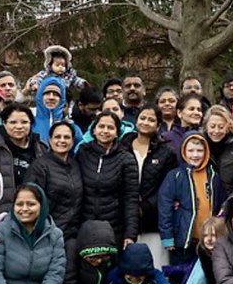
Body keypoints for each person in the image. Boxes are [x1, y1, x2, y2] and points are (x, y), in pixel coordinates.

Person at [121, 104, 179, 267]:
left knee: (156, 266)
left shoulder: (166, 151)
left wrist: (145, 207)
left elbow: (167, 187)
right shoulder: (122, 147)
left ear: (158, 124)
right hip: (125, 217)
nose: (146, 122)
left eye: (151, 119)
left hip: (153, 220)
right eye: (143, 118)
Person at [78, 112, 140, 246]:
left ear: (117, 132)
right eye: (101, 126)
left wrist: (130, 234)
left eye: (110, 128)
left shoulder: (126, 158)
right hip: (84, 225)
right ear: (94, 130)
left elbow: (131, 198)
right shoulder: (83, 152)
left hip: (114, 228)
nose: (105, 131)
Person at [159, 132, 221, 265]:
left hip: (208, 240)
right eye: (190, 150)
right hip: (183, 239)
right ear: (183, 151)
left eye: (199, 150)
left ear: (206, 152)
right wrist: (167, 236)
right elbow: (164, 207)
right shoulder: (175, 176)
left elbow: (220, 204)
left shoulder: (213, 176)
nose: (195, 155)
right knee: (180, 276)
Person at [0, 103, 47, 206]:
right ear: (4, 123)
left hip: (33, 209)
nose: (19, 126)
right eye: (13, 122)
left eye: (24, 122)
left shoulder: (41, 148)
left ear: (31, 124)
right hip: (0, 211)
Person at [23, 120, 83, 240]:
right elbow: (29, 200)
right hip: (46, 234)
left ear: (72, 141)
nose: (62, 140)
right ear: (50, 140)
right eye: (57, 137)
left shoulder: (76, 165)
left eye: (66, 137)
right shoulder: (40, 166)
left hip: (72, 234)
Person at [203, 105, 233, 201]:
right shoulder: (199, 145)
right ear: (206, 126)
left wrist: (230, 202)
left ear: (228, 127)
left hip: (228, 198)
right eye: (212, 126)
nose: (216, 131)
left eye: (221, 127)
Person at [33, 77, 83, 147]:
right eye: (47, 93)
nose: (51, 97)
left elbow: (79, 152)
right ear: (40, 96)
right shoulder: (30, 123)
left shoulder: (72, 128)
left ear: (62, 99)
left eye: (56, 94)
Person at [23, 44, 88, 96]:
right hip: (47, 96)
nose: (60, 67)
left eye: (63, 65)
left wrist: (82, 83)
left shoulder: (68, 75)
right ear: (50, 65)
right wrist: (35, 84)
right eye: (57, 65)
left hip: (63, 97)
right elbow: (37, 78)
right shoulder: (46, 74)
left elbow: (75, 79)